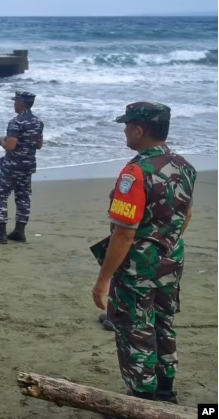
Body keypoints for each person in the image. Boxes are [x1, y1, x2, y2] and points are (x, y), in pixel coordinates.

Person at [90, 102, 195, 409]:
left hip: (138, 269)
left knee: (135, 331)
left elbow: (124, 232)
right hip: (171, 261)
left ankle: (142, 401)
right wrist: (164, 242)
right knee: (163, 324)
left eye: (127, 125)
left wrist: (103, 280)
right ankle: (165, 392)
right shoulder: (184, 166)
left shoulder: (136, 173)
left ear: (139, 130)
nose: (124, 130)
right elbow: (187, 215)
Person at [0, 91, 44, 244]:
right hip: (28, 166)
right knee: (23, 198)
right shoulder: (38, 122)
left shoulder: (16, 122)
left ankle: (0, 233)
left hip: (12, 167)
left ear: (21, 103)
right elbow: (38, 145)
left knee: (0, 196)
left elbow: (10, 147)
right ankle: (19, 232)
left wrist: (0, 140)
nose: (14, 104)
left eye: (15, 101)